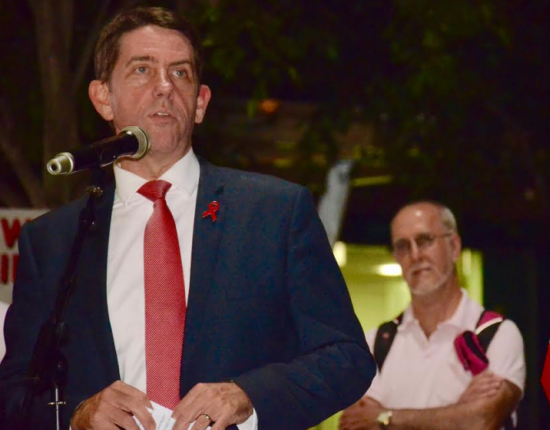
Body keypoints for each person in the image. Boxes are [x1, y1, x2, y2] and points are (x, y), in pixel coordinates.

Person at [0, 7, 375, 430]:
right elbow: (14, 393)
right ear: (103, 97)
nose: (164, 87)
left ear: (200, 103)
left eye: (180, 73)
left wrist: (247, 396)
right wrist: (77, 414)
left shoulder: (274, 213)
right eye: (142, 69)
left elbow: (347, 357)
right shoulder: (53, 242)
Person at [339, 202, 525, 430]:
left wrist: (385, 418)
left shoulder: (496, 334)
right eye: (402, 246)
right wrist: (458, 411)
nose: (415, 255)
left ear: (454, 246)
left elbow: (481, 420)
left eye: (425, 240)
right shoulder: (376, 343)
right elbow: (354, 425)